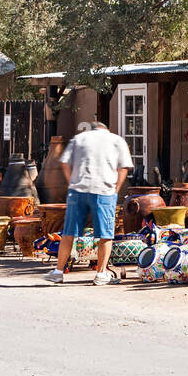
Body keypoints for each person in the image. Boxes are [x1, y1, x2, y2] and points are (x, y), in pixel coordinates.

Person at [44, 120, 133, 285]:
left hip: (78, 190)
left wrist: (72, 182)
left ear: (92, 129)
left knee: (69, 232)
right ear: (107, 129)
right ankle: (101, 274)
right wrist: (116, 189)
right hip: (104, 190)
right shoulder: (116, 140)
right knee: (105, 234)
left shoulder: (79, 139)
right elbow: (123, 168)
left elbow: (64, 162)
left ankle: (58, 272)